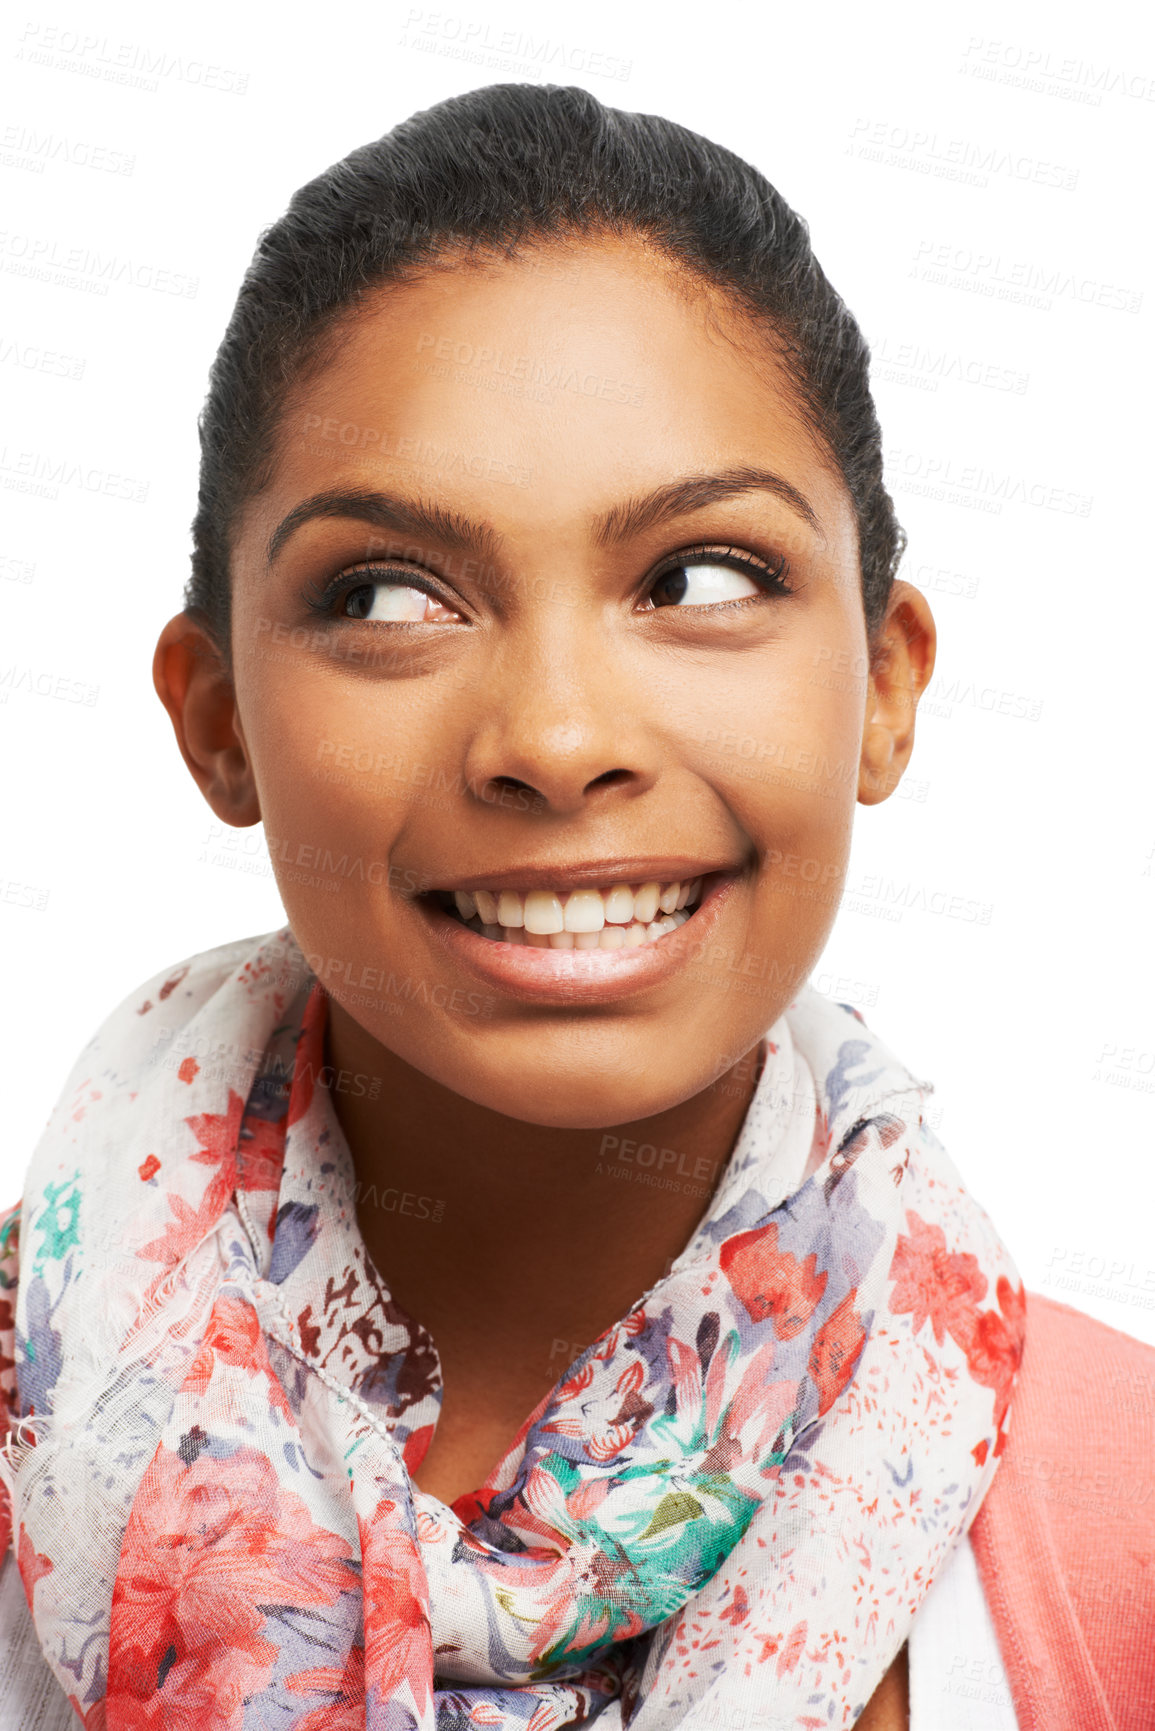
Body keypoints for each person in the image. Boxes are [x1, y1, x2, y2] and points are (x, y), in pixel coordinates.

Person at [0, 83, 1150, 1731]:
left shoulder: (1131, 1533)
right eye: (389, 596)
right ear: (218, 721)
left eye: (698, 579)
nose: (554, 740)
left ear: (886, 688)